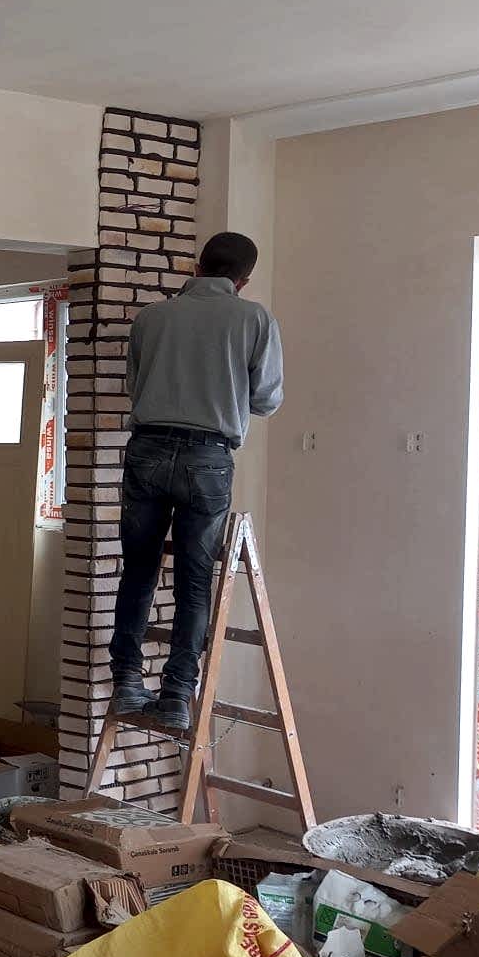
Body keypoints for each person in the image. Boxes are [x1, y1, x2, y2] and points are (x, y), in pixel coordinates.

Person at [109, 230, 284, 733]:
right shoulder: (254, 319)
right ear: (243, 280)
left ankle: (127, 682)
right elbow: (266, 399)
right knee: (194, 581)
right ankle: (177, 695)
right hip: (208, 457)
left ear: (196, 266)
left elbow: (135, 385)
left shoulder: (151, 317)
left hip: (146, 450)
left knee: (138, 570)